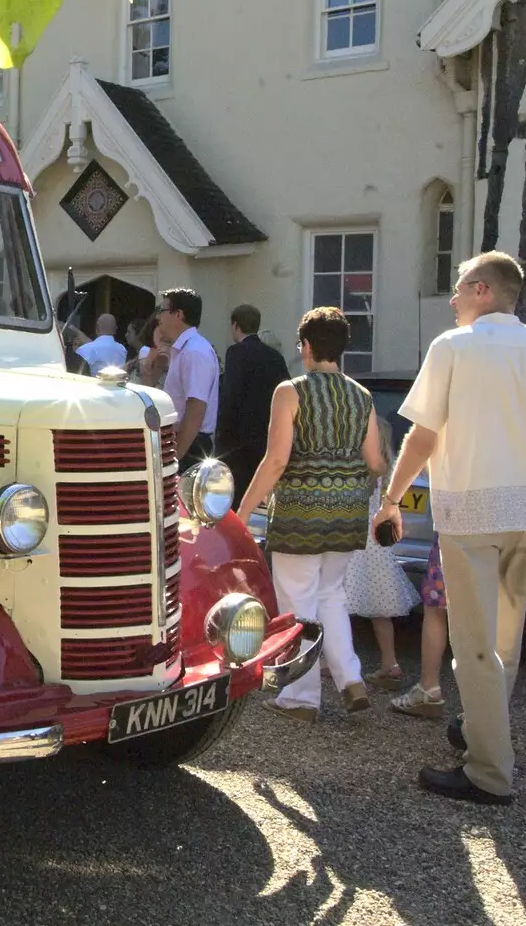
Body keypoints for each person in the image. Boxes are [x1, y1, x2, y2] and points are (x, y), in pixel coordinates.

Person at [376, 251, 526, 805]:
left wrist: (390, 499)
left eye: (457, 290)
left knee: (474, 645)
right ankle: (482, 729)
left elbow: (422, 437)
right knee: (506, 639)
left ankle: (488, 772)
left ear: (481, 290)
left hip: (470, 511)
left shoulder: (452, 347)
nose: (451, 300)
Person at [236, 306, 385, 722]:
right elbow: (375, 461)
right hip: (347, 511)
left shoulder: (290, 391)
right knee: (331, 597)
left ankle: (300, 699)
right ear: (342, 348)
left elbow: (276, 461)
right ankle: (350, 678)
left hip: (300, 513)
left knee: (297, 603)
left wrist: (242, 512)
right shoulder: (362, 395)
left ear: (305, 346)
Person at [345, 417, 421, 690]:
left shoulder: (359, 469)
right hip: (377, 549)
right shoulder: (387, 473)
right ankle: (391, 663)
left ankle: (333, 662)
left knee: (338, 603)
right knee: (380, 611)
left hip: (354, 544)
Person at [217, 303, 290, 499]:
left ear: (235, 325)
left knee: (238, 495)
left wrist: (221, 438)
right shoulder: (275, 357)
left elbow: (230, 396)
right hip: (267, 436)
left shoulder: (236, 353)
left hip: (240, 441)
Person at [391, 534, 451, 719]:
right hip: (516, 528)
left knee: (436, 608)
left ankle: (429, 688)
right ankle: (489, 705)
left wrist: (390, 505)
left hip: (460, 527)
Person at [158, 288, 220, 470]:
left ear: (178, 314)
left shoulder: (195, 352)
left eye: (162, 311)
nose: (158, 318)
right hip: (184, 441)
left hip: (190, 446)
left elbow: (195, 410)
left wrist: (175, 457)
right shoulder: (185, 349)